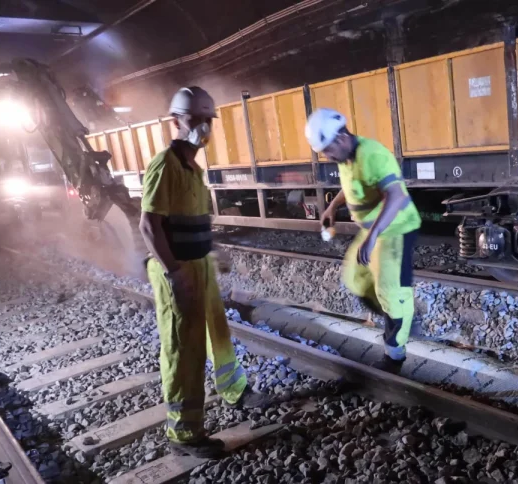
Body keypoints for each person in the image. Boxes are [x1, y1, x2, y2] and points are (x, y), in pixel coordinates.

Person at [139, 87, 272, 458]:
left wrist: (212, 250)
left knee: (218, 331)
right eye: (193, 118)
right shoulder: (166, 164)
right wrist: (174, 273)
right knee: (185, 349)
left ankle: (233, 391)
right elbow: (149, 226)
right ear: (176, 121)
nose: (201, 126)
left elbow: (190, 221)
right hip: (178, 269)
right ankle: (184, 435)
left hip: (199, 266)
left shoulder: (193, 168)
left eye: (205, 119)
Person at [305, 108, 421, 375]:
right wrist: (331, 208)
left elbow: (396, 197)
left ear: (341, 137)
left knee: (391, 291)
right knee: (355, 277)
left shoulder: (373, 155)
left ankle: (394, 355)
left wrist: (372, 238)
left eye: (327, 151)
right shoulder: (347, 158)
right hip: (374, 230)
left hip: (396, 230)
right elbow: (351, 187)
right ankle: (399, 315)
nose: (327, 157)